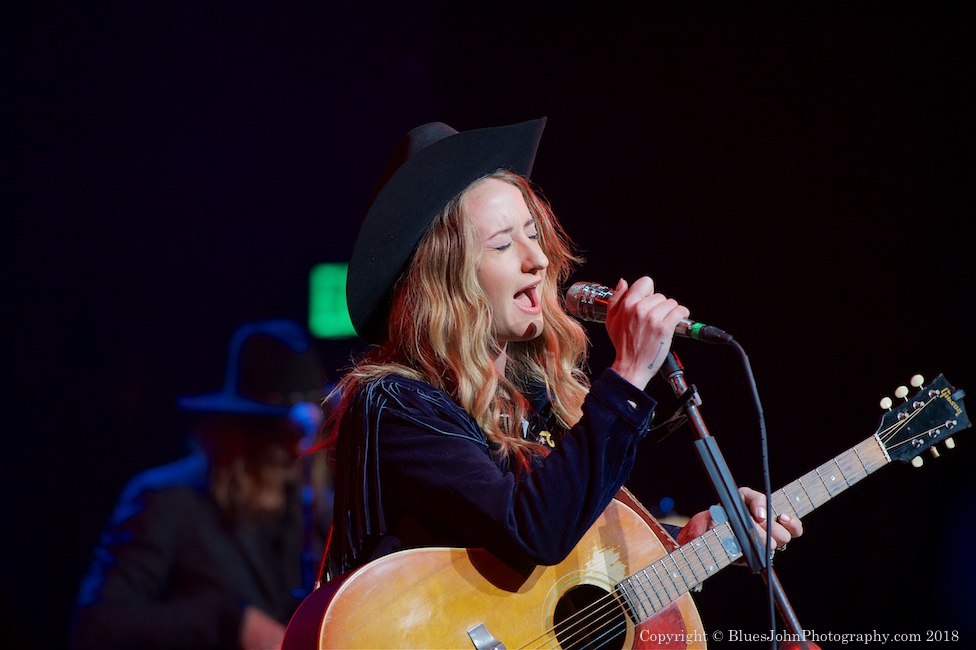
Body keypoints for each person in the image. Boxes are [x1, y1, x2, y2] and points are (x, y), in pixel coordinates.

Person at [315, 118, 801, 612]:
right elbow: (531, 530)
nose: (539, 260)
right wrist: (629, 375)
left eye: (533, 234)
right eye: (504, 244)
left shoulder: (534, 397)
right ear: (446, 279)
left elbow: (562, 568)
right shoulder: (398, 404)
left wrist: (689, 542)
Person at [69, 319, 331, 650]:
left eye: (306, 435)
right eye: (278, 432)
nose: (297, 449)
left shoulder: (321, 514)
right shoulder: (166, 500)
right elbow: (96, 626)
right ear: (240, 428)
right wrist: (229, 622)